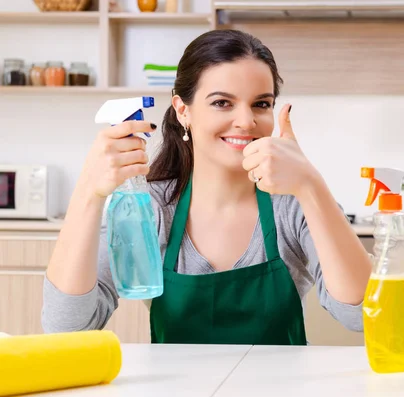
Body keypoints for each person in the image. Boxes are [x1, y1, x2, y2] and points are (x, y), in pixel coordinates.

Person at [42, 29, 372, 345]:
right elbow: (66, 327)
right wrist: (89, 192)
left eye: (261, 104)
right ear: (183, 110)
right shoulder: (151, 208)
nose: (246, 121)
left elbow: (362, 316)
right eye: (222, 103)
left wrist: (311, 185)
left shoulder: (293, 205)